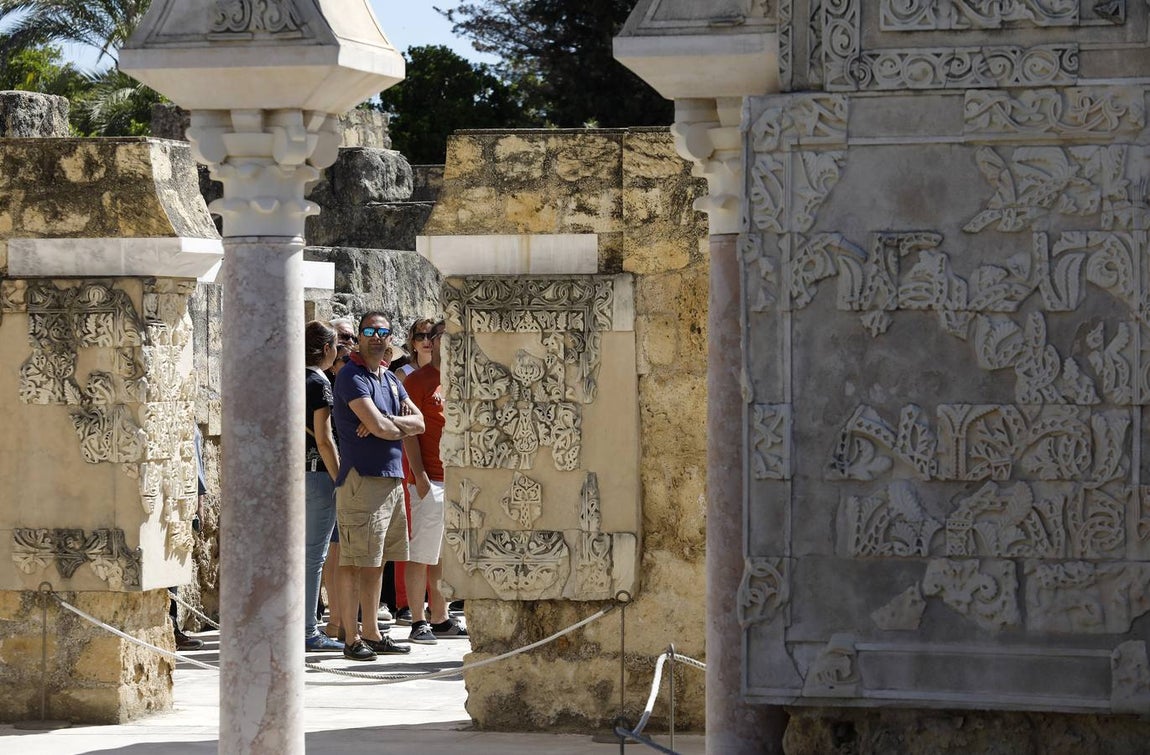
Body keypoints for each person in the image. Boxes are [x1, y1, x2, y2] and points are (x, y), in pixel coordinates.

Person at [332, 311, 424, 661]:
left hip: (390, 480)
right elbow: (381, 427)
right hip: (361, 479)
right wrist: (385, 425)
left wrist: (389, 422)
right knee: (354, 562)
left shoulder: (389, 379)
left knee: (376, 562)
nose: (375, 336)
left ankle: (371, 631)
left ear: (390, 338)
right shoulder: (351, 376)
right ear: (358, 336)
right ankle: (351, 637)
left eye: (382, 331)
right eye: (368, 330)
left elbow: (419, 422)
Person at [401, 320, 467, 643]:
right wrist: (420, 475)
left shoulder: (457, 378)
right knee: (423, 552)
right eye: (434, 336)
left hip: (454, 479)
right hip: (431, 479)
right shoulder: (418, 381)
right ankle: (417, 619)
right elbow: (410, 431)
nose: (438, 341)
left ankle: (440, 616)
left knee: (443, 554)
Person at [304, 320, 345, 652]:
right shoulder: (319, 384)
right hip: (317, 475)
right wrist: (340, 478)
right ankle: (306, 629)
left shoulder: (288, 380)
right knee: (313, 555)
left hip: (290, 477)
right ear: (327, 349)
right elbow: (324, 439)